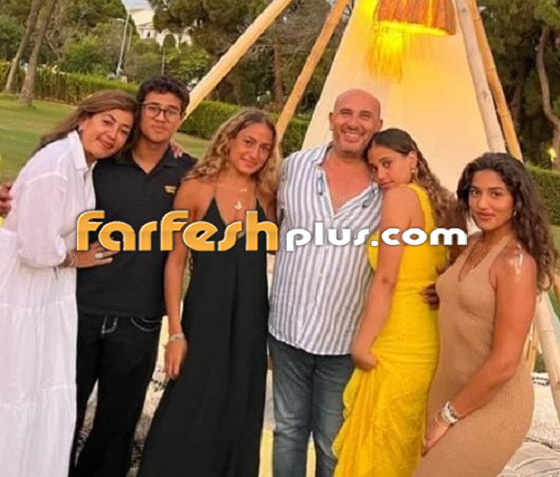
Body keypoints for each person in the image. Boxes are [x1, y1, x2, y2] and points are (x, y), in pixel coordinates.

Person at [0, 90, 137, 477]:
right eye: (107, 121)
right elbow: (36, 248)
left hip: (44, 290)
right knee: (15, 386)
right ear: (83, 119)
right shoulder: (57, 165)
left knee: (35, 389)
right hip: (22, 288)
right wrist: (78, 257)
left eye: (124, 130)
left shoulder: (83, 166)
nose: (113, 135)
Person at [138, 109, 279, 477]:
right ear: (228, 139)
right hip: (204, 317)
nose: (254, 153)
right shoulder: (196, 189)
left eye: (264, 148)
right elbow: (175, 262)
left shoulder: (267, 194)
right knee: (191, 406)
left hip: (251, 322)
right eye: (248, 142)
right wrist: (176, 333)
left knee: (239, 411)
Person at [70, 75, 195, 477]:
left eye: (171, 111)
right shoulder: (103, 159)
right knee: (63, 411)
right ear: (139, 111)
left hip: (139, 317)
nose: (161, 117)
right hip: (81, 307)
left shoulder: (189, 172)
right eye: (153, 108)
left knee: (118, 423)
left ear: (181, 118)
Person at [413, 153, 558, 477]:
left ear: (517, 201)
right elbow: (471, 295)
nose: (482, 204)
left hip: (493, 403)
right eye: (475, 192)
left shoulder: (515, 262)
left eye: (496, 194)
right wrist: (444, 292)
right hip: (448, 390)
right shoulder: (474, 242)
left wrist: (447, 416)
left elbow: (505, 361)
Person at [333, 129, 462, 477]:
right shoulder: (443, 203)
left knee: (382, 442)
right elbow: (460, 264)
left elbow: (386, 279)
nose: (381, 176)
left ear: (412, 159)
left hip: (398, 337)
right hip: (429, 337)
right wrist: (441, 285)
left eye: (387, 164)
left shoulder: (401, 198)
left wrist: (362, 342)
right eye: (374, 168)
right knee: (408, 438)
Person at [269, 89, 384, 477]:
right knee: (288, 432)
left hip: (345, 339)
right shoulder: (294, 168)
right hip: (287, 329)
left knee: (332, 442)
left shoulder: (389, 185)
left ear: (378, 126)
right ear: (331, 118)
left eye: (364, 116)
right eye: (346, 113)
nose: (353, 123)